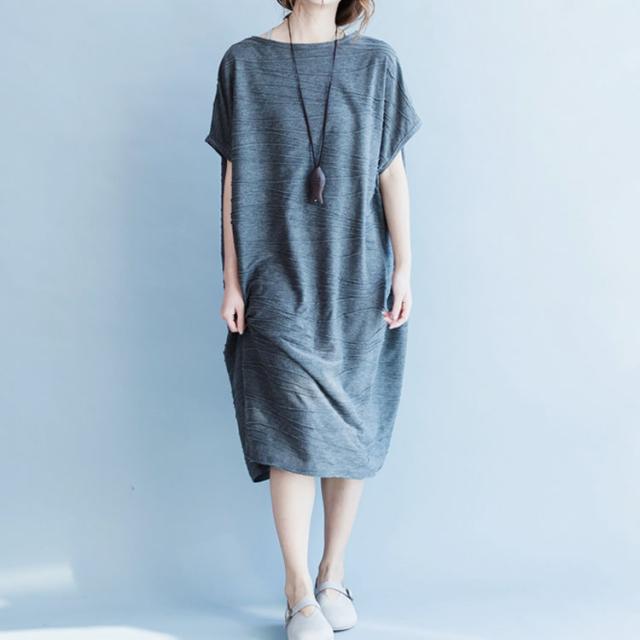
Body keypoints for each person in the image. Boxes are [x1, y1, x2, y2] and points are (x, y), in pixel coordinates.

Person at [205, 1, 422, 637]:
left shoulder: (377, 63)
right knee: (289, 427)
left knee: (353, 424)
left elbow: (391, 171)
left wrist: (404, 269)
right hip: (275, 274)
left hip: (358, 273)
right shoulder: (244, 63)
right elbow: (233, 179)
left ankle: (332, 573)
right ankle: (297, 590)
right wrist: (232, 279)